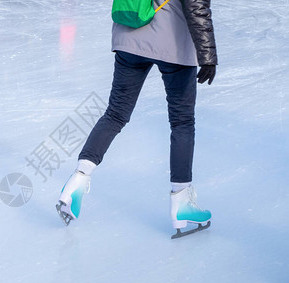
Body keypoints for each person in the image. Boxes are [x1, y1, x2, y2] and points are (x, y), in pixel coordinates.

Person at [56, 0, 217, 237]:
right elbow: (196, 6)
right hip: (172, 42)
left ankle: (78, 180)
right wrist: (208, 55)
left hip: (129, 36)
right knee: (182, 122)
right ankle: (182, 203)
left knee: (115, 113)